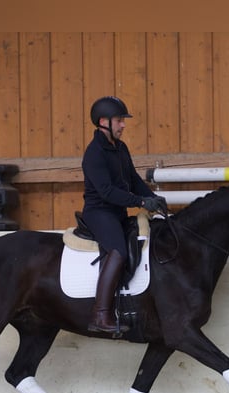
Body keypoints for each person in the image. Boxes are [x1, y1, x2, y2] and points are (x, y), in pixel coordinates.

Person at [81, 96, 167, 334]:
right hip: (99, 212)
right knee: (118, 250)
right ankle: (100, 314)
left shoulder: (120, 148)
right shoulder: (94, 153)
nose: (123, 125)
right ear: (103, 122)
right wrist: (140, 201)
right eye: (119, 120)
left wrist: (153, 198)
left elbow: (133, 180)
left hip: (117, 211)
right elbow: (107, 192)